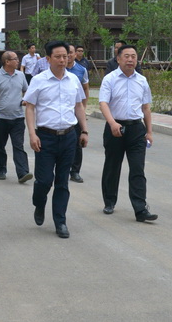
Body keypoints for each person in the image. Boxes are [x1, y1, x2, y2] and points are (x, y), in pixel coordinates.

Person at [23, 40, 88, 239]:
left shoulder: (73, 80)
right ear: (48, 58)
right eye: (58, 56)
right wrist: (32, 134)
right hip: (45, 137)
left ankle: (60, 221)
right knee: (44, 181)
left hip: (68, 136)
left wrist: (84, 131)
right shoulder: (39, 80)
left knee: (62, 182)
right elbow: (30, 107)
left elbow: (79, 106)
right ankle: (39, 202)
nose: (62, 60)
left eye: (65, 56)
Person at [98, 45, 158, 222]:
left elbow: (146, 108)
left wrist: (149, 131)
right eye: (126, 56)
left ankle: (140, 209)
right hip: (115, 127)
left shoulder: (142, 80)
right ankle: (109, 201)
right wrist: (112, 123)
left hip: (136, 130)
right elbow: (103, 103)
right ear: (118, 59)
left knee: (138, 168)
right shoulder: (110, 79)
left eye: (133, 56)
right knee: (112, 167)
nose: (130, 59)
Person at [0, 51, 33, 183]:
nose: (18, 61)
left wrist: (26, 99)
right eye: (15, 59)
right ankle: (1, 169)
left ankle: (23, 173)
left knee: (18, 146)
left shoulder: (20, 75)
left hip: (18, 118)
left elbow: (26, 90)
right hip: (1, 118)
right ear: (7, 62)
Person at [66, 43, 89, 184]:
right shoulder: (57, 69)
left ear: (75, 54)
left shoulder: (81, 70)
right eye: (66, 52)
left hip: (76, 112)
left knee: (77, 143)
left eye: (71, 52)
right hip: (63, 113)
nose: (68, 55)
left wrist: (83, 107)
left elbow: (85, 89)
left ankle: (75, 171)